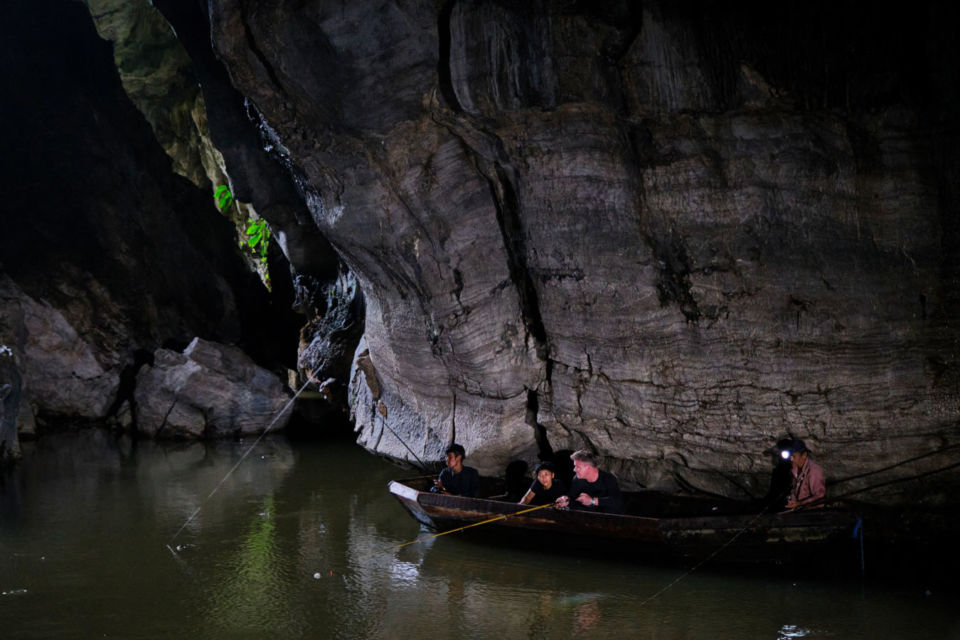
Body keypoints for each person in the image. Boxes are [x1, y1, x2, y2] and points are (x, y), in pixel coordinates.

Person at [556, 450, 622, 514]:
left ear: (589, 468)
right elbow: (572, 497)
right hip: (588, 517)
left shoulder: (608, 478)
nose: (574, 470)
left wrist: (592, 501)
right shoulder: (577, 479)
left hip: (609, 519)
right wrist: (566, 500)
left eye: (577, 467)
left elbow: (616, 502)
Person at [782, 439, 826, 510]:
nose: (791, 459)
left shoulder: (814, 471)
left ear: (804, 455)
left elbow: (820, 496)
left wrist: (799, 503)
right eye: (790, 457)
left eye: (794, 456)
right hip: (798, 509)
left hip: (812, 512)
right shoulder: (795, 469)